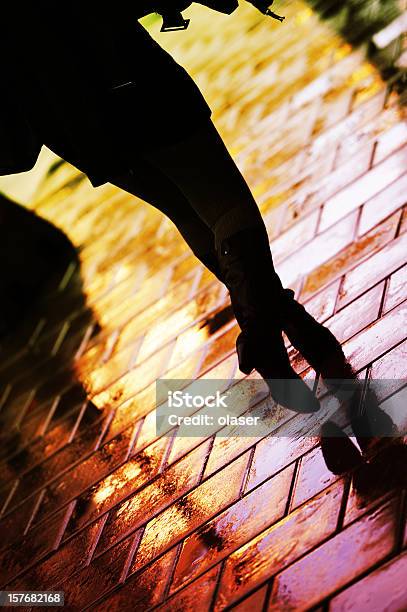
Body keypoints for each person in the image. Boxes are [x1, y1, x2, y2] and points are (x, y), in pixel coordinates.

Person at [1, 1, 347, 412]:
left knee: (188, 211)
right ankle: (260, 335)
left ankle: (301, 336)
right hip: (121, 69)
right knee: (226, 206)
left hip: (68, 119)